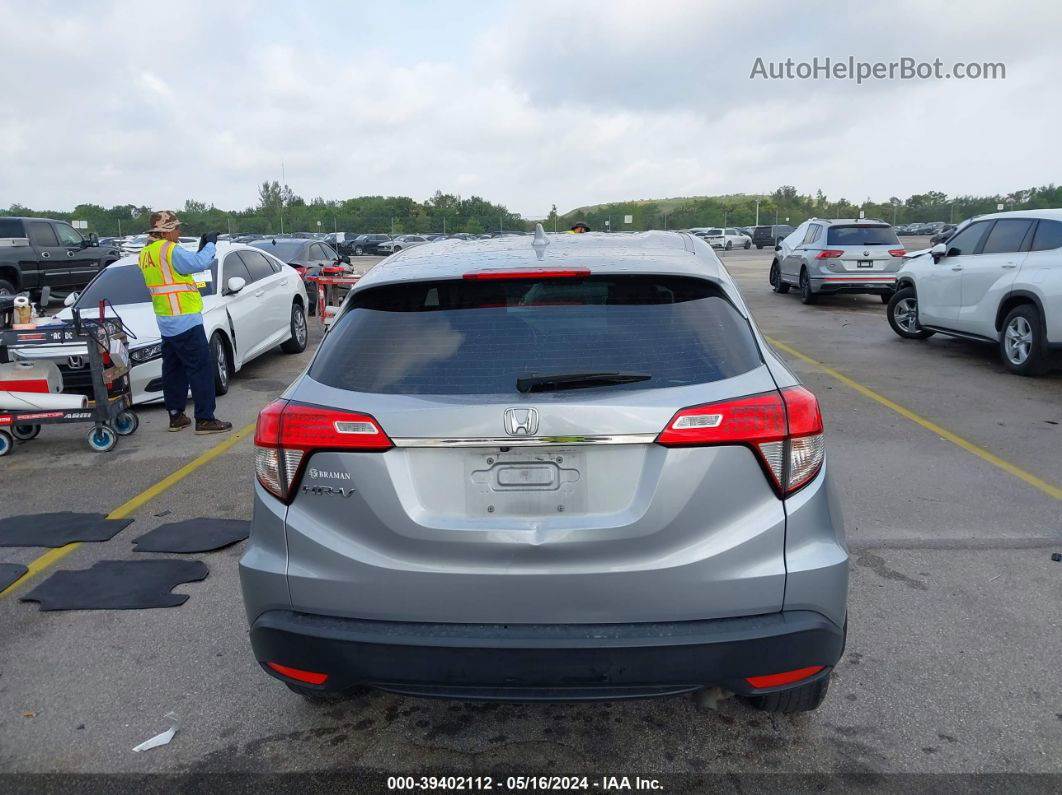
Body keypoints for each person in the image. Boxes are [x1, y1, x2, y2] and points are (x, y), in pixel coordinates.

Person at [136, 211, 232, 435]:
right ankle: (205, 419)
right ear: (165, 231)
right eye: (176, 228)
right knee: (200, 368)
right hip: (185, 319)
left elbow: (176, 272)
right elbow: (199, 263)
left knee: (173, 369)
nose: (179, 233)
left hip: (166, 319)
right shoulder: (168, 249)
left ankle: (176, 416)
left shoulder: (146, 253)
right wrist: (209, 244)